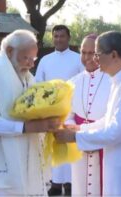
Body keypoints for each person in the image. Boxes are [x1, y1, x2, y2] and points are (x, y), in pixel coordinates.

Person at [54, 31, 121, 196]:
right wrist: (79, 129)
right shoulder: (120, 82)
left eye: (97, 54)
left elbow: (115, 132)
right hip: (117, 162)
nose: (94, 59)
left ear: (114, 55)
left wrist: (73, 137)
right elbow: (108, 121)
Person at [0, 30, 61, 196]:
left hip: (28, 160)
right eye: (26, 58)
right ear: (10, 51)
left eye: (33, 59)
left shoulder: (26, 75)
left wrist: (50, 120)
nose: (31, 64)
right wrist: (25, 127)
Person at [35, 24, 83, 196]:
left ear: (68, 38)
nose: (58, 39)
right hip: (52, 109)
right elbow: (38, 84)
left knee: (70, 145)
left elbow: (84, 82)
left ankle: (71, 183)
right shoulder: (45, 60)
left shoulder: (78, 59)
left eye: (62, 36)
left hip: (72, 109)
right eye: (55, 36)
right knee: (53, 145)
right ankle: (55, 183)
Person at [66, 33, 112, 196]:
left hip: (105, 145)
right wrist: (72, 129)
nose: (87, 57)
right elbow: (67, 115)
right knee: (80, 187)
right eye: (83, 52)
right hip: (78, 145)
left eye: (92, 53)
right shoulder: (72, 83)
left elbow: (112, 118)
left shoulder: (113, 81)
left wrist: (85, 130)